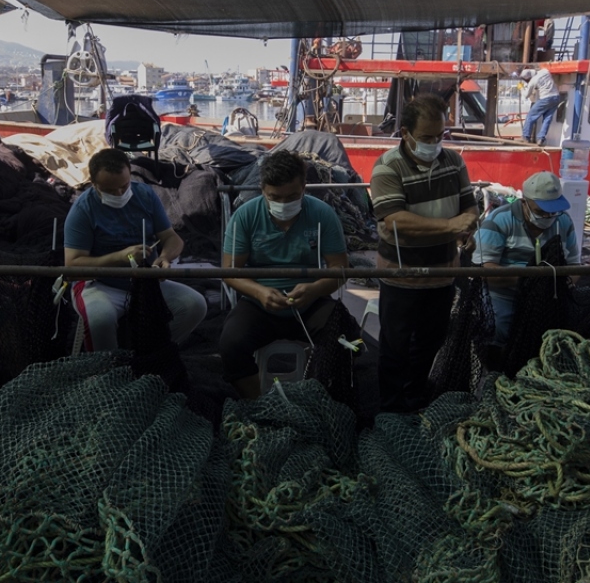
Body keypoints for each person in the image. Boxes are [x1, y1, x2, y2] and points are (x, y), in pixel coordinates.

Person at [370, 94, 480, 413]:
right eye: (426, 137)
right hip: (401, 275)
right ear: (405, 133)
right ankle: (390, 408)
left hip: (443, 274)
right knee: (395, 346)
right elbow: (396, 220)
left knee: (431, 341)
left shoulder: (454, 161)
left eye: (439, 136)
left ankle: (415, 396)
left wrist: (468, 225)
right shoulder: (387, 167)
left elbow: (469, 205)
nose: (434, 143)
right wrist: (451, 226)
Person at [219, 150, 350, 399]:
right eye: (274, 197)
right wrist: (259, 292)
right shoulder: (245, 216)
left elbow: (340, 270)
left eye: (292, 196)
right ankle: (256, 402)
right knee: (231, 342)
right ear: (262, 189)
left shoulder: (322, 214)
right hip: (258, 304)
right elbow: (230, 272)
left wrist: (314, 290)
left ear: (304, 187)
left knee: (342, 336)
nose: (283, 204)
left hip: (311, 302)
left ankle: (319, 398)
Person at [63, 148, 206, 351]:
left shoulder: (145, 195)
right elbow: (73, 264)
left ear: (130, 174)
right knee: (101, 320)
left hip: (144, 282)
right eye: (110, 191)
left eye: (124, 186)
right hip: (100, 285)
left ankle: (151, 354)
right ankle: (109, 370)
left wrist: (165, 257)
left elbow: (172, 238)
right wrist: (121, 257)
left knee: (194, 305)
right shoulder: (82, 210)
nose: (120, 194)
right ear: (93, 185)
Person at [473, 171, 579, 345]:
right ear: (524, 202)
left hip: (549, 295)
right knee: (499, 329)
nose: (548, 217)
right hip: (504, 295)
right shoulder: (498, 221)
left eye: (553, 212)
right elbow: (485, 272)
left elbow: (575, 265)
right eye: (541, 211)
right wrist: (531, 280)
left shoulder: (563, 221)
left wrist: (565, 285)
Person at [520, 67, 561, 145]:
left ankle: (526, 136)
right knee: (547, 118)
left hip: (545, 98)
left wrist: (521, 87)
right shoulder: (545, 71)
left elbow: (526, 95)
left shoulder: (533, 81)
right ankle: (541, 138)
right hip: (556, 97)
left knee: (530, 116)